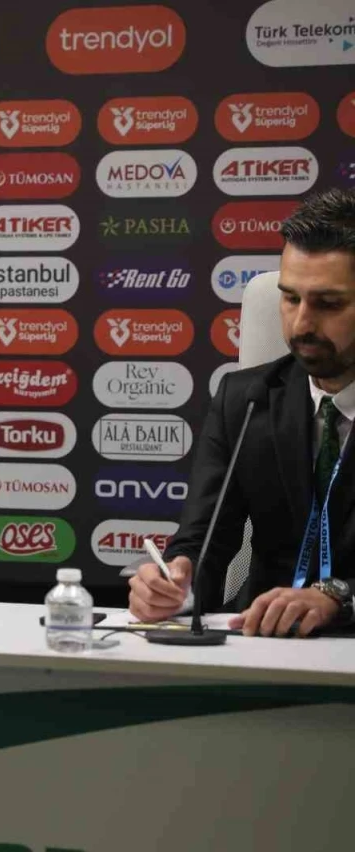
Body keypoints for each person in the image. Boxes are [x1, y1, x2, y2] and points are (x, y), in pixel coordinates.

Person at [130, 187, 355, 637]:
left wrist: (339, 597)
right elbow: (203, 542)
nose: (301, 324)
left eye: (328, 304)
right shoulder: (246, 399)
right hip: (258, 638)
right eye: (290, 298)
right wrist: (177, 587)